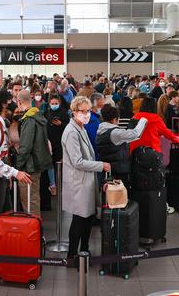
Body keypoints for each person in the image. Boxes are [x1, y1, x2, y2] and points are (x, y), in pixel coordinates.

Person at [0, 91, 32, 271]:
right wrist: (14, 173)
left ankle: (3, 250)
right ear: (2, 104)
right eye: (11, 101)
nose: (14, 105)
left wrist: (7, 175)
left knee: (4, 215)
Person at [61, 96, 111, 261]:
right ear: (74, 112)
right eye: (82, 111)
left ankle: (84, 250)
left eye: (88, 111)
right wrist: (100, 165)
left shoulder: (80, 127)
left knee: (88, 218)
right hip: (78, 183)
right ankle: (72, 255)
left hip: (86, 181)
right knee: (79, 220)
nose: (86, 114)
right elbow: (77, 161)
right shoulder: (71, 132)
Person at [15, 90, 52, 217]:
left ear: (19, 101)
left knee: (29, 202)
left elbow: (25, 147)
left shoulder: (29, 120)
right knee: (34, 198)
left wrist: (18, 167)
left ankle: (34, 232)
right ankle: (37, 230)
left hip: (28, 166)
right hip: (37, 163)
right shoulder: (38, 115)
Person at [96, 104, 147, 185]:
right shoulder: (114, 133)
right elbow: (135, 134)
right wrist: (143, 120)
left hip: (108, 170)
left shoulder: (101, 130)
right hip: (118, 172)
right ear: (114, 119)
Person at [45, 95, 69, 195]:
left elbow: (68, 128)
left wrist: (60, 124)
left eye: (56, 103)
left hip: (60, 142)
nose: (54, 105)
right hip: (49, 142)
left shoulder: (64, 113)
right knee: (50, 164)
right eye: (52, 103)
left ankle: (61, 185)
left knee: (59, 164)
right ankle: (53, 184)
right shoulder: (47, 113)